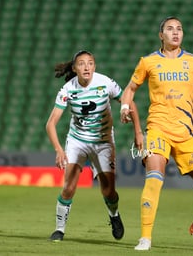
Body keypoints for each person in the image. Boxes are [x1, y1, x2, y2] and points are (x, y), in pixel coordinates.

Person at [120, 16, 193, 251]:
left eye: (179, 29)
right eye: (170, 29)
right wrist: (125, 107)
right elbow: (131, 88)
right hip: (158, 128)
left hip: (187, 131)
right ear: (161, 35)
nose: (175, 33)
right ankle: (145, 237)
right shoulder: (148, 62)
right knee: (154, 178)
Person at [46, 50, 143, 242]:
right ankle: (59, 230)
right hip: (77, 141)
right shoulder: (67, 89)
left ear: (94, 66)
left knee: (108, 190)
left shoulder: (105, 83)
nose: (86, 67)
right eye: (81, 64)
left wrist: (138, 132)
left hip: (103, 142)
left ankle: (114, 216)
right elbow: (51, 123)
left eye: (90, 63)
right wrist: (59, 150)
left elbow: (128, 101)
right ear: (74, 68)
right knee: (68, 187)